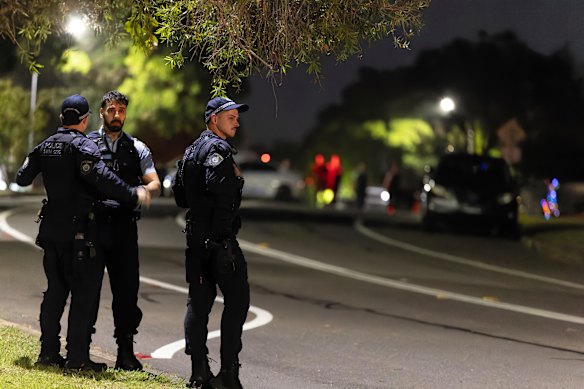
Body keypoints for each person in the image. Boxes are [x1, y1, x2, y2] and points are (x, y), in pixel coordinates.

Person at [15, 94, 150, 372]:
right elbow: (103, 177)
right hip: (79, 232)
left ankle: (49, 352)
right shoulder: (83, 147)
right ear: (86, 118)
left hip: (51, 230)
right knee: (83, 296)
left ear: (62, 117)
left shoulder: (45, 145)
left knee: (54, 293)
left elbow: (22, 177)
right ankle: (78, 357)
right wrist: (132, 195)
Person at [172, 96, 250, 389]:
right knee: (238, 300)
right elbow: (220, 190)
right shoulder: (217, 149)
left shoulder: (191, 150)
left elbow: (180, 197)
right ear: (214, 119)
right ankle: (228, 372)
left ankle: (199, 371)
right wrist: (236, 181)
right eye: (230, 117)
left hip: (196, 237)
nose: (237, 122)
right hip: (218, 239)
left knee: (198, 302)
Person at [86, 90, 161, 371]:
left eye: (122, 110)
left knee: (127, 291)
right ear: (102, 112)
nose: (117, 115)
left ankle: (126, 352)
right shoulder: (88, 144)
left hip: (124, 229)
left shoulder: (137, 148)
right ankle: (81, 348)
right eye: (112, 110)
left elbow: (154, 182)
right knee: (87, 289)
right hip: (94, 225)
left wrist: (144, 191)